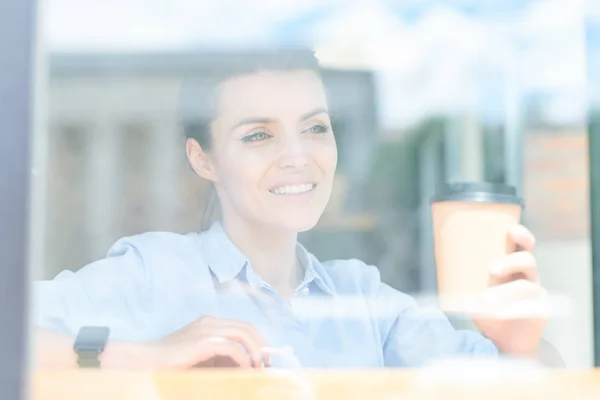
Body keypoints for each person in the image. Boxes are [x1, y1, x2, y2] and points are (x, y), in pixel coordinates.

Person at [32, 49, 556, 370]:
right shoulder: (155, 273)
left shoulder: (364, 301)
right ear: (204, 159)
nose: (298, 157)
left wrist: (522, 343)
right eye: (258, 134)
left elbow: (524, 384)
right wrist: (145, 355)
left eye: (315, 127)